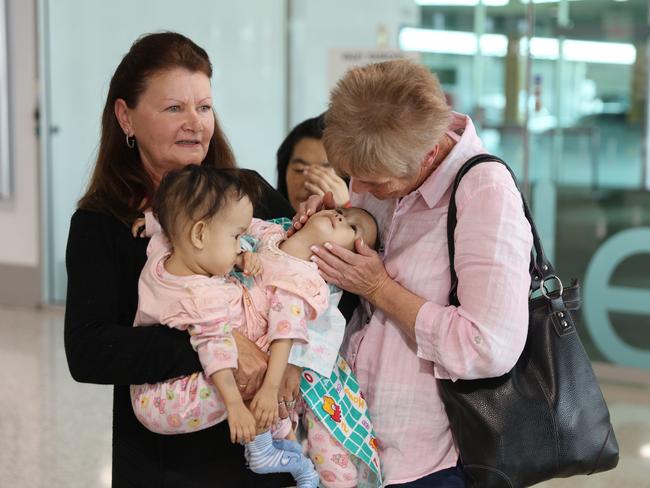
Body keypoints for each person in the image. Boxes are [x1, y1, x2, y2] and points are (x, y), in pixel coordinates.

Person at [64, 32, 295, 487]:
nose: (195, 123)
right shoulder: (104, 222)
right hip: (168, 462)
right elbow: (88, 351)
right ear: (125, 116)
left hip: (265, 450)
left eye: (204, 107)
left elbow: (306, 283)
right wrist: (215, 344)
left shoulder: (245, 192)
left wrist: (319, 230)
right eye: (175, 108)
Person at [291, 59, 534, 487]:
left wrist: (379, 287)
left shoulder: (485, 191)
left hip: (426, 462)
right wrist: (328, 228)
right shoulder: (386, 170)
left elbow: (488, 345)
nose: (362, 191)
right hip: (349, 441)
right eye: (353, 178)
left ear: (428, 154)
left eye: (376, 183)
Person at [130, 164, 379, 488]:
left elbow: (284, 333)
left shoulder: (301, 282)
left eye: (355, 230)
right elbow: (227, 225)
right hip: (159, 398)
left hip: (165, 389)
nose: (344, 217)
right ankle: (269, 446)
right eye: (343, 212)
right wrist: (159, 222)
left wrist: (159, 223)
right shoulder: (269, 237)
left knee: (265, 378)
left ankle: (280, 448)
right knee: (253, 374)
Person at [276, 114, 350, 211]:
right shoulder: (258, 221)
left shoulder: (369, 219)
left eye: (325, 172)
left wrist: (345, 208)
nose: (312, 180)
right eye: (300, 169)